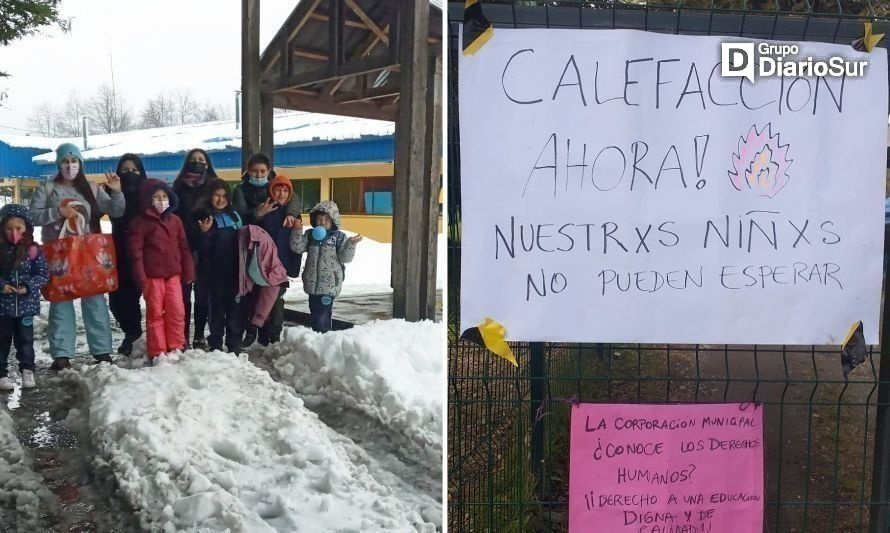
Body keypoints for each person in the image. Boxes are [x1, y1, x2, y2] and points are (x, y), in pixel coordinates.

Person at [29, 143, 124, 370]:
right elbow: (32, 217)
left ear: (80, 163)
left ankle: (102, 351)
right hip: (59, 255)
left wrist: (117, 191)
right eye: (65, 161)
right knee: (61, 303)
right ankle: (61, 354)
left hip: (88, 254)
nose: (70, 166)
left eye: (74, 161)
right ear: (58, 163)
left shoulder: (90, 188)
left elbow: (116, 210)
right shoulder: (47, 188)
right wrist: (57, 212)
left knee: (95, 301)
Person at [128, 179, 194, 361]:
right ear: (147, 200)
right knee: (155, 312)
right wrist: (140, 276)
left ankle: (176, 346)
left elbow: (184, 247)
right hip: (151, 276)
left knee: (177, 310)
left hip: (173, 274)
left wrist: (188, 270)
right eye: (156, 197)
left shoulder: (176, 221)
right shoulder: (139, 223)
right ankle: (158, 350)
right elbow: (136, 253)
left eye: (164, 196)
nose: (161, 200)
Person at [242, 174, 302, 347]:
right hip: (260, 264)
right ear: (271, 190)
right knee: (259, 299)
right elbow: (249, 231)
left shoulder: (294, 215)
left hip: (280, 266)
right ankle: (260, 335)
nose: (282, 193)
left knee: (276, 302)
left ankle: (273, 336)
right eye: (278, 189)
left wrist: (293, 268)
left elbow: (296, 245)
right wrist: (257, 216)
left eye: (285, 190)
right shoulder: (265, 209)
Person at [289, 201, 361, 333]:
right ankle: (319, 336)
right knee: (315, 311)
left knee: (322, 314)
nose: (322, 222)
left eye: (326, 219)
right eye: (319, 219)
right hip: (312, 283)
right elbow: (297, 247)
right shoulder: (310, 235)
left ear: (333, 220)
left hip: (329, 284)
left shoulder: (338, 237)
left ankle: (323, 336)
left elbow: (345, 258)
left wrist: (351, 244)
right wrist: (297, 230)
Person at [172, 149, 217, 349]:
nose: (197, 163)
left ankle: (199, 333)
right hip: (184, 247)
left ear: (207, 163)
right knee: (183, 293)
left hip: (207, 246)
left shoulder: (214, 185)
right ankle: (182, 334)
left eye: (201, 160)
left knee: (202, 293)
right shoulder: (178, 186)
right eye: (193, 160)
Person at [0, 205, 48, 390]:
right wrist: (2, 286)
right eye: (9, 228)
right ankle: (1, 374)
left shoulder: (33, 251)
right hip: (3, 307)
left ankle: (27, 370)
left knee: (26, 341)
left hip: (26, 306)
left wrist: (28, 287)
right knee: (2, 341)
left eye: (18, 228)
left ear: (27, 228)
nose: (14, 233)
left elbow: (43, 273)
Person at [194, 179, 243, 353]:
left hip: (234, 273)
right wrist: (204, 234)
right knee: (216, 312)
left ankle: (234, 344)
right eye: (217, 195)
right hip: (213, 275)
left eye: (224, 196)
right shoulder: (203, 216)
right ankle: (215, 344)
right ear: (209, 196)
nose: (220, 199)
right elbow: (199, 248)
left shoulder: (235, 217)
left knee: (235, 311)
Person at [107, 154, 147, 355]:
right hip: (118, 249)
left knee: (141, 293)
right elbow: (111, 212)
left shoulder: (148, 192)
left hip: (144, 250)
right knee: (117, 299)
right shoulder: (111, 190)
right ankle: (131, 331)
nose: (130, 174)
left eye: (134, 170)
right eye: (125, 170)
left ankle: (138, 335)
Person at [232, 153, 302, 228]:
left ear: (268, 171)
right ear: (248, 171)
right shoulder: (240, 190)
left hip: (278, 230)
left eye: (262, 171)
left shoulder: (275, 185)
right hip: (252, 233)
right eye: (254, 171)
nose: (259, 175)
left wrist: (291, 214)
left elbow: (293, 198)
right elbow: (239, 216)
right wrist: (256, 214)